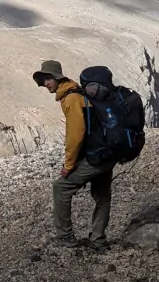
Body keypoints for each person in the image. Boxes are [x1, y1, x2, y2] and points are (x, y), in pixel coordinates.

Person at [32, 60, 114, 251]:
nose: (45, 84)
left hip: (95, 155)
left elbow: (76, 135)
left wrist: (69, 165)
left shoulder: (71, 98)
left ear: (57, 77)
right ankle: (98, 240)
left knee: (61, 188)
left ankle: (65, 237)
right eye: (43, 80)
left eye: (47, 79)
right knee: (102, 195)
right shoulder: (80, 93)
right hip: (107, 151)